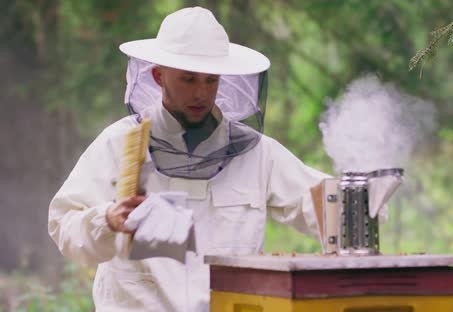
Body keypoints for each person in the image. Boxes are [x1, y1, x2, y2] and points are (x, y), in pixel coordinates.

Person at [48, 6, 328, 311]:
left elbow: (324, 205)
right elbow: (64, 225)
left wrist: (363, 192)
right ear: (158, 76)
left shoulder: (258, 154)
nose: (201, 94)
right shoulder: (119, 143)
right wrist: (108, 219)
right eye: (188, 79)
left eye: (211, 81)